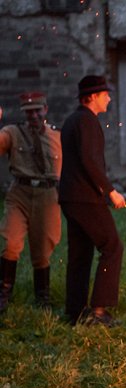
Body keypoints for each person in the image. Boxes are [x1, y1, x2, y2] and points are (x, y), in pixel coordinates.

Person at [59, 75, 126, 327]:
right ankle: (99, 311)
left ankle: (75, 312)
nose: (108, 98)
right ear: (93, 97)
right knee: (112, 247)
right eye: (104, 94)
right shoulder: (86, 121)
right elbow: (89, 161)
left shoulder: (74, 120)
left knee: (80, 253)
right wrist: (110, 191)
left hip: (71, 198)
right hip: (86, 198)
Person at [0, 91, 62, 312]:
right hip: (20, 193)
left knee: (43, 248)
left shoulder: (57, 138)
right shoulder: (12, 133)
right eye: (28, 112)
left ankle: (42, 298)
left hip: (48, 195)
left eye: (37, 110)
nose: (33, 115)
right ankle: (4, 294)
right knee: (11, 242)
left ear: (45, 110)